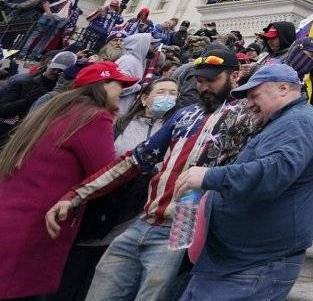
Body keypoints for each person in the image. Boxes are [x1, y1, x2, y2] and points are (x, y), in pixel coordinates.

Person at [47, 45, 256, 301]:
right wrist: (75, 194)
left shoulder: (245, 117)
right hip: (145, 217)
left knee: (153, 295)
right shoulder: (184, 114)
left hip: (184, 223)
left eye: (212, 80)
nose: (203, 87)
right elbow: (136, 159)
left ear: (234, 76)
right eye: (200, 81)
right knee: (102, 287)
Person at [171, 63, 313, 300]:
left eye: (254, 95)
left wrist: (209, 176)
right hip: (240, 259)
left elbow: (275, 172)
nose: (248, 103)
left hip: (254, 263)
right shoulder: (285, 120)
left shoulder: (299, 121)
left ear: (283, 89)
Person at [0, 61, 136, 300]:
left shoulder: (54, 108)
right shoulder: (93, 117)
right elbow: (104, 174)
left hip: (11, 214)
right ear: (102, 85)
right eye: (119, 84)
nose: (123, 91)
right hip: (37, 226)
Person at [0, 50, 77, 144]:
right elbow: (3, 109)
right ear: (49, 63)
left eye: (62, 71)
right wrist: (27, 101)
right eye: (55, 68)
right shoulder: (23, 80)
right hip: (8, 132)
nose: (56, 72)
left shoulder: (63, 91)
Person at [20, 0, 84, 60]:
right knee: (35, 34)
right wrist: (49, 13)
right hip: (50, 15)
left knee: (47, 38)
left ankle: (34, 56)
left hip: (62, 19)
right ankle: (22, 53)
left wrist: (67, 17)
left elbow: (73, 7)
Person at [113, 77, 179, 153]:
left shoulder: (175, 128)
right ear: (144, 99)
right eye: (161, 92)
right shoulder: (123, 122)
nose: (167, 97)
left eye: (172, 93)